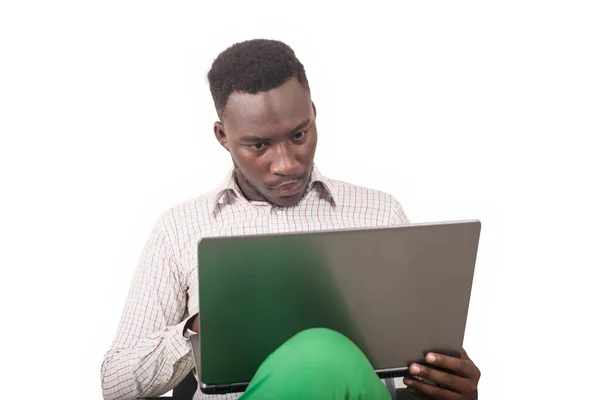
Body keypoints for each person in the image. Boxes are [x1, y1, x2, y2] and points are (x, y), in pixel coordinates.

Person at [101, 39, 481, 400]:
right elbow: (116, 383)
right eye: (259, 145)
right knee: (321, 352)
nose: (285, 163)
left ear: (314, 114)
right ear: (222, 136)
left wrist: (445, 388)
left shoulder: (380, 213)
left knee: (326, 354)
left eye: (299, 134)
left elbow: (405, 372)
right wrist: (197, 329)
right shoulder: (180, 228)